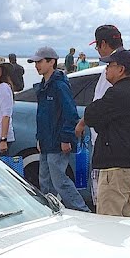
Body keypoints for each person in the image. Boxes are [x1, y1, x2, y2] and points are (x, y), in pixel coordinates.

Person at [76, 24, 130, 210]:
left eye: (98, 46)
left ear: (104, 44)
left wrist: (83, 121)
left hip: (113, 156)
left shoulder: (119, 87)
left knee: (108, 216)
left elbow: (97, 110)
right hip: (126, 156)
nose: (106, 69)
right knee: (124, 213)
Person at [29, 46, 89, 211]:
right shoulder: (44, 86)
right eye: (35, 62)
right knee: (45, 181)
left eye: (40, 62)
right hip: (46, 141)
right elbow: (42, 116)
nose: (37, 65)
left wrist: (66, 138)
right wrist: (39, 138)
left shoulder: (59, 85)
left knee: (59, 181)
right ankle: (50, 210)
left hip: (57, 141)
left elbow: (70, 113)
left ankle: (82, 210)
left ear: (51, 62)